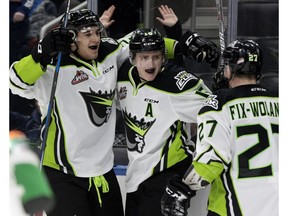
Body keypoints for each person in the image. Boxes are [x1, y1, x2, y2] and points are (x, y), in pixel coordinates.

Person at [9, 8, 129, 216]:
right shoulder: (52, 68)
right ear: (72, 38)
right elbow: (14, 82)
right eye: (88, 33)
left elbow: (137, 46)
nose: (96, 38)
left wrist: (175, 38)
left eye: (96, 32)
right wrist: (40, 52)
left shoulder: (110, 52)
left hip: (103, 169)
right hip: (63, 174)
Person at [161, 40, 279, 216]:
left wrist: (182, 188)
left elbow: (210, 162)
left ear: (229, 70)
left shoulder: (218, 104)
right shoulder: (278, 101)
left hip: (237, 207)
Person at [116, 27, 215, 216]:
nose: (150, 63)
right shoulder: (121, 78)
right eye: (144, 58)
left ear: (163, 57)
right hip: (136, 176)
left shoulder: (176, 84)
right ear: (133, 58)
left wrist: (223, 89)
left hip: (166, 175)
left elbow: (217, 114)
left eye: (155, 57)